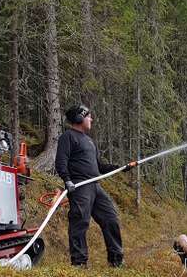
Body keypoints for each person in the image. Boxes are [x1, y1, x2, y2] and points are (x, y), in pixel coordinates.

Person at [55, 104, 133, 268]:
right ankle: (79, 263)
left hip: (95, 186)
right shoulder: (68, 137)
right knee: (80, 221)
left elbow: (100, 167)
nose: (91, 119)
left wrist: (121, 167)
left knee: (110, 218)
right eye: (88, 116)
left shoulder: (90, 141)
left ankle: (116, 260)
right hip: (80, 185)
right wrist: (67, 180)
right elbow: (61, 162)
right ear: (79, 118)